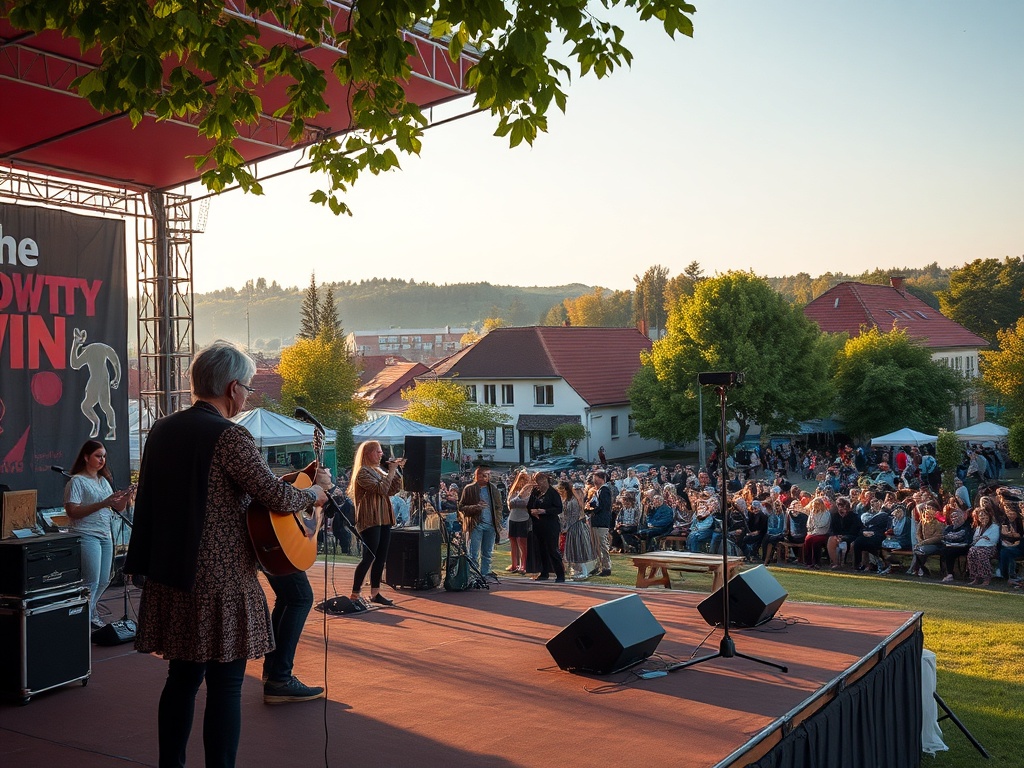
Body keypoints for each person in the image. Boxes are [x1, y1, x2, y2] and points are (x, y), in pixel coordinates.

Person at [125, 340, 330, 767]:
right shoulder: (229, 435)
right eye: (250, 388)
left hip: (172, 569)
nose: (248, 396)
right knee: (226, 685)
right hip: (220, 579)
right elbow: (273, 494)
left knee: (180, 679)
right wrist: (314, 491)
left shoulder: (163, 429)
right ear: (233, 388)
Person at [64, 439, 132, 629]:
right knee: (91, 580)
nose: (102, 460)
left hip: (105, 534)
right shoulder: (77, 481)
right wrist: (103, 503)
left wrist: (125, 497)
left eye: (104, 456)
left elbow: (117, 507)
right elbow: (72, 511)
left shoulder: (103, 481)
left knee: (105, 579)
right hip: (86, 534)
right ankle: (83, 617)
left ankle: (90, 611)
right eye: (98, 456)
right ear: (86, 457)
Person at [349, 441, 404, 607]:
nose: (381, 455)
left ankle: (375, 593)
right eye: (378, 452)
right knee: (369, 557)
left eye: (381, 452)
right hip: (370, 519)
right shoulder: (362, 473)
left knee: (381, 557)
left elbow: (392, 490)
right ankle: (355, 593)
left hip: (384, 518)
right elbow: (380, 490)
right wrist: (392, 471)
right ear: (367, 454)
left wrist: (397, 472)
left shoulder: (378, 470)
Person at [458, 465, 503, 578]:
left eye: (487, 475)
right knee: (474, 553)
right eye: (482, 475)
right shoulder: (469, 488)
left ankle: (485, 573)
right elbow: (461, 507)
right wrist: (475, 507)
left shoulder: (493, 489)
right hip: (476, 524)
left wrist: (497, 521)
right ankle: (473, 574)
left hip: (491, 525)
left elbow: (499, 506)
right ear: (476, 476)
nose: (485, 477)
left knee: (487, 552)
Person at [526, 472, 565, 582]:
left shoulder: (553, 493)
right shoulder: (535, 492)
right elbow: (529, 506)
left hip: (551, 524)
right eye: (538, 480)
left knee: (552, 549)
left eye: (542, 480)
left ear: (547, 480)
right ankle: (544, 572)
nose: (540, 483)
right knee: (541, 549)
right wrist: (533, 512)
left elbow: (558, 509)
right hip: (538, 524)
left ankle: (560, 574)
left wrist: (544, 511)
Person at [558, 481, 595, 579]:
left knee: (578, 549)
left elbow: (574, 516)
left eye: (561, 490)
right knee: (573, 550)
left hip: (575, 527)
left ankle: (584, 571)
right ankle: (577, 570)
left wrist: (566, 527)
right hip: (570, 527)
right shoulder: (566, 500)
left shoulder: (572, 501)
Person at [505, 470, 534, 573]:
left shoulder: (530, 491)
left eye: (525, 479)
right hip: (513, 518)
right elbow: (510, 504)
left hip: (524, 518)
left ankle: (524, 565)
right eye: (521, 479)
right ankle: (514, 564)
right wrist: (518, 498)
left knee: (522, 542)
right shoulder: (513, 491)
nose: (522, 481)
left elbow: (528, 504)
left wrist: (519, 499)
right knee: (513, 541)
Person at [586, 470, 613, 576]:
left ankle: (606, 567)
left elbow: (604, 506)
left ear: (601, 478)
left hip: (601, 521)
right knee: (595, 545)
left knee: (602, 544)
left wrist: (592, 511)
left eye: (596, 477)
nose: (594, 479)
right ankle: (598, 565)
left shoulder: (604, 490)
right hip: (595, 521)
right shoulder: (597, 491)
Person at [966, 506, 1000, 586]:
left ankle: (986, 578)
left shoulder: (995, 527)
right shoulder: (978, 527)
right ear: (978, 518)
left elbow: (993, 539)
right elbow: (974, 540)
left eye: (985, 515)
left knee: (981, 553)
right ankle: (976, 577)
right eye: (981, 516)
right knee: (971, 552)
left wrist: (980, 538)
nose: (983, 517)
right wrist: (983, 538)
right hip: (977, 547)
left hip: (990, 547)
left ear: (989, 516)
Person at [826, 496, 862, 569]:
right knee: (831, 539)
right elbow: (831, 529)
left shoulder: (854, 516)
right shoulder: (834, 516)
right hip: (837, 536)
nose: (842, 508)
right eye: (840, 506)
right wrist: (836, 536)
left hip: (851, 536)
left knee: (851, 542)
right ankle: (836, 563)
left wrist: (844, 537)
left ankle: (852, 564)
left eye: (844, 506)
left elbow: (855, 530)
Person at [802, 497, 831, 568]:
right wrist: (811, 528)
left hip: (822, 532)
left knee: (816, 541)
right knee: (807, 539)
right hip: (813, 531)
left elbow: (822, 524)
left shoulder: (826, 513)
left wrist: (814, 524)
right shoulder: (812, 512)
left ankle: (817, 562)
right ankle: (809, 561)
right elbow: (809, 524)